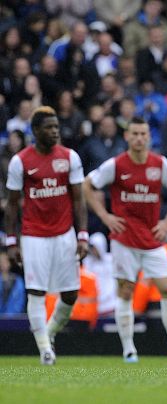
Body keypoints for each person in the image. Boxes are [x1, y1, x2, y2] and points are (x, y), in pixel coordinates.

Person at [82, 117, 167, 364]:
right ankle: (129, 350)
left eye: (143, 134)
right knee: (125, 292)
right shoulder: (115, 165)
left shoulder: (160, 164)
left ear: (149, 137)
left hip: (152, 239)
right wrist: (105, 216)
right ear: (127, 136)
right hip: (124, 239)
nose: (138, 138)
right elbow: (87, 185)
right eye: (134, 133)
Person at [4, 106, 89, 365]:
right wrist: (11, 240)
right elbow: (12, 204)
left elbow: (78, 199)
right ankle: (45, 351)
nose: (55, 132)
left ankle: (49, 333)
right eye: (49, 128)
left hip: (64, 234)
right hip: (34, 235)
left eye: (56, 127)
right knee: (36, 292)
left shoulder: (70, 157)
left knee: (71, 295)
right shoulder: (20, 161)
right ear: (36, 131)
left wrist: (83, 234)